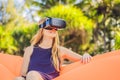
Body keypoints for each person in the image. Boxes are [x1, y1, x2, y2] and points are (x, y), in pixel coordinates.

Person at [15, 18, 92, 80]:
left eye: (55, 28)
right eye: (49, 27)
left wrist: (85, 54)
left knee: (32, 74)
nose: (52, 30)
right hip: (31, 77)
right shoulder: (30, 49)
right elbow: (23, 73)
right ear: (42, 30)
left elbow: (82, 58)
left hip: (49, 78)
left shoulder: (60, 50)